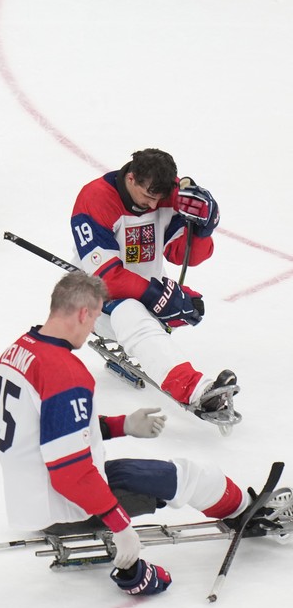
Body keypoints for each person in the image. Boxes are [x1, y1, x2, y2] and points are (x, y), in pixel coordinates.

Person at [0, 272, 286, 596]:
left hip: (28, 496)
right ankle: (246, 511)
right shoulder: (65, 372)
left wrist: (123, 425)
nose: (93, 329)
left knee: (144, 473)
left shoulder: (19, 350)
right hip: (63, 503)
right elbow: (70, 473)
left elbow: (51, 427)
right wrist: (121, 528)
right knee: (193, 476)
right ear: (82, 314)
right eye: (94, 319)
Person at [70, 148, 233, 416]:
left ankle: (153, 337)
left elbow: (183, 255)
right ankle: (197, 392)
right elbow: (108, 278)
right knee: (132, 316)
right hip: (93, 296)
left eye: (160, 198)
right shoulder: (96, 198)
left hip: (146, 287)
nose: (154, 206)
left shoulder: (171, 195)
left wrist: (204, 230)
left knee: (189, 306)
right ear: (131, 178)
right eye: (148, 196)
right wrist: (158, 296)